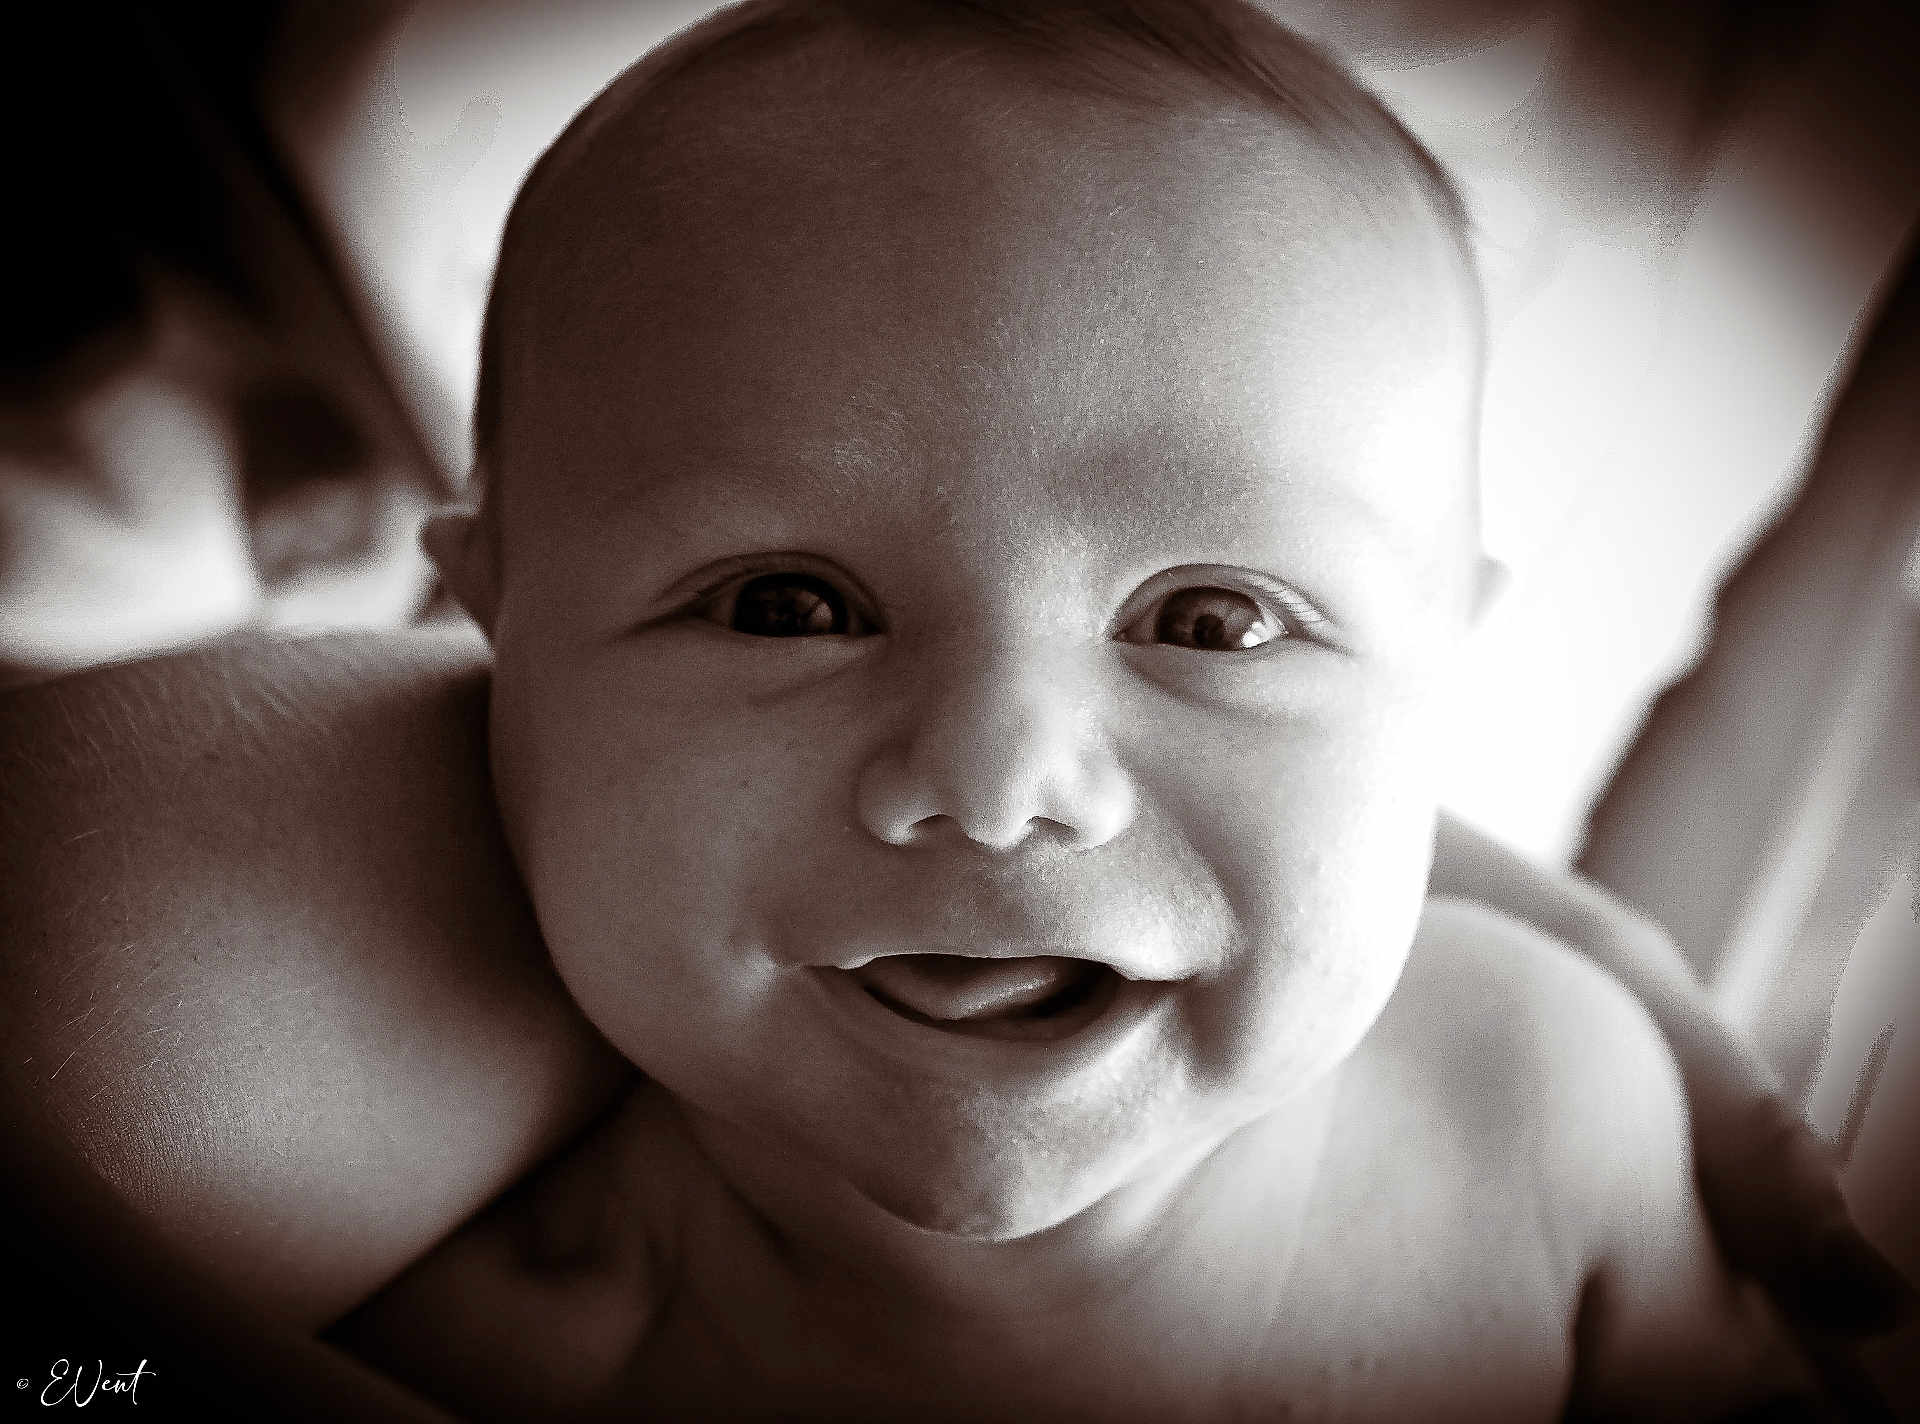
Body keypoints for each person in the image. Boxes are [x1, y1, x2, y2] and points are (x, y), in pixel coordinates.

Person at [0, 1, 1906, 1417]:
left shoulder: (1552, 1115)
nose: (997, 789)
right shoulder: (463, 1314)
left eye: (1218, 621)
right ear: (491, 634)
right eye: (786, 605)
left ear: (1441, 660)